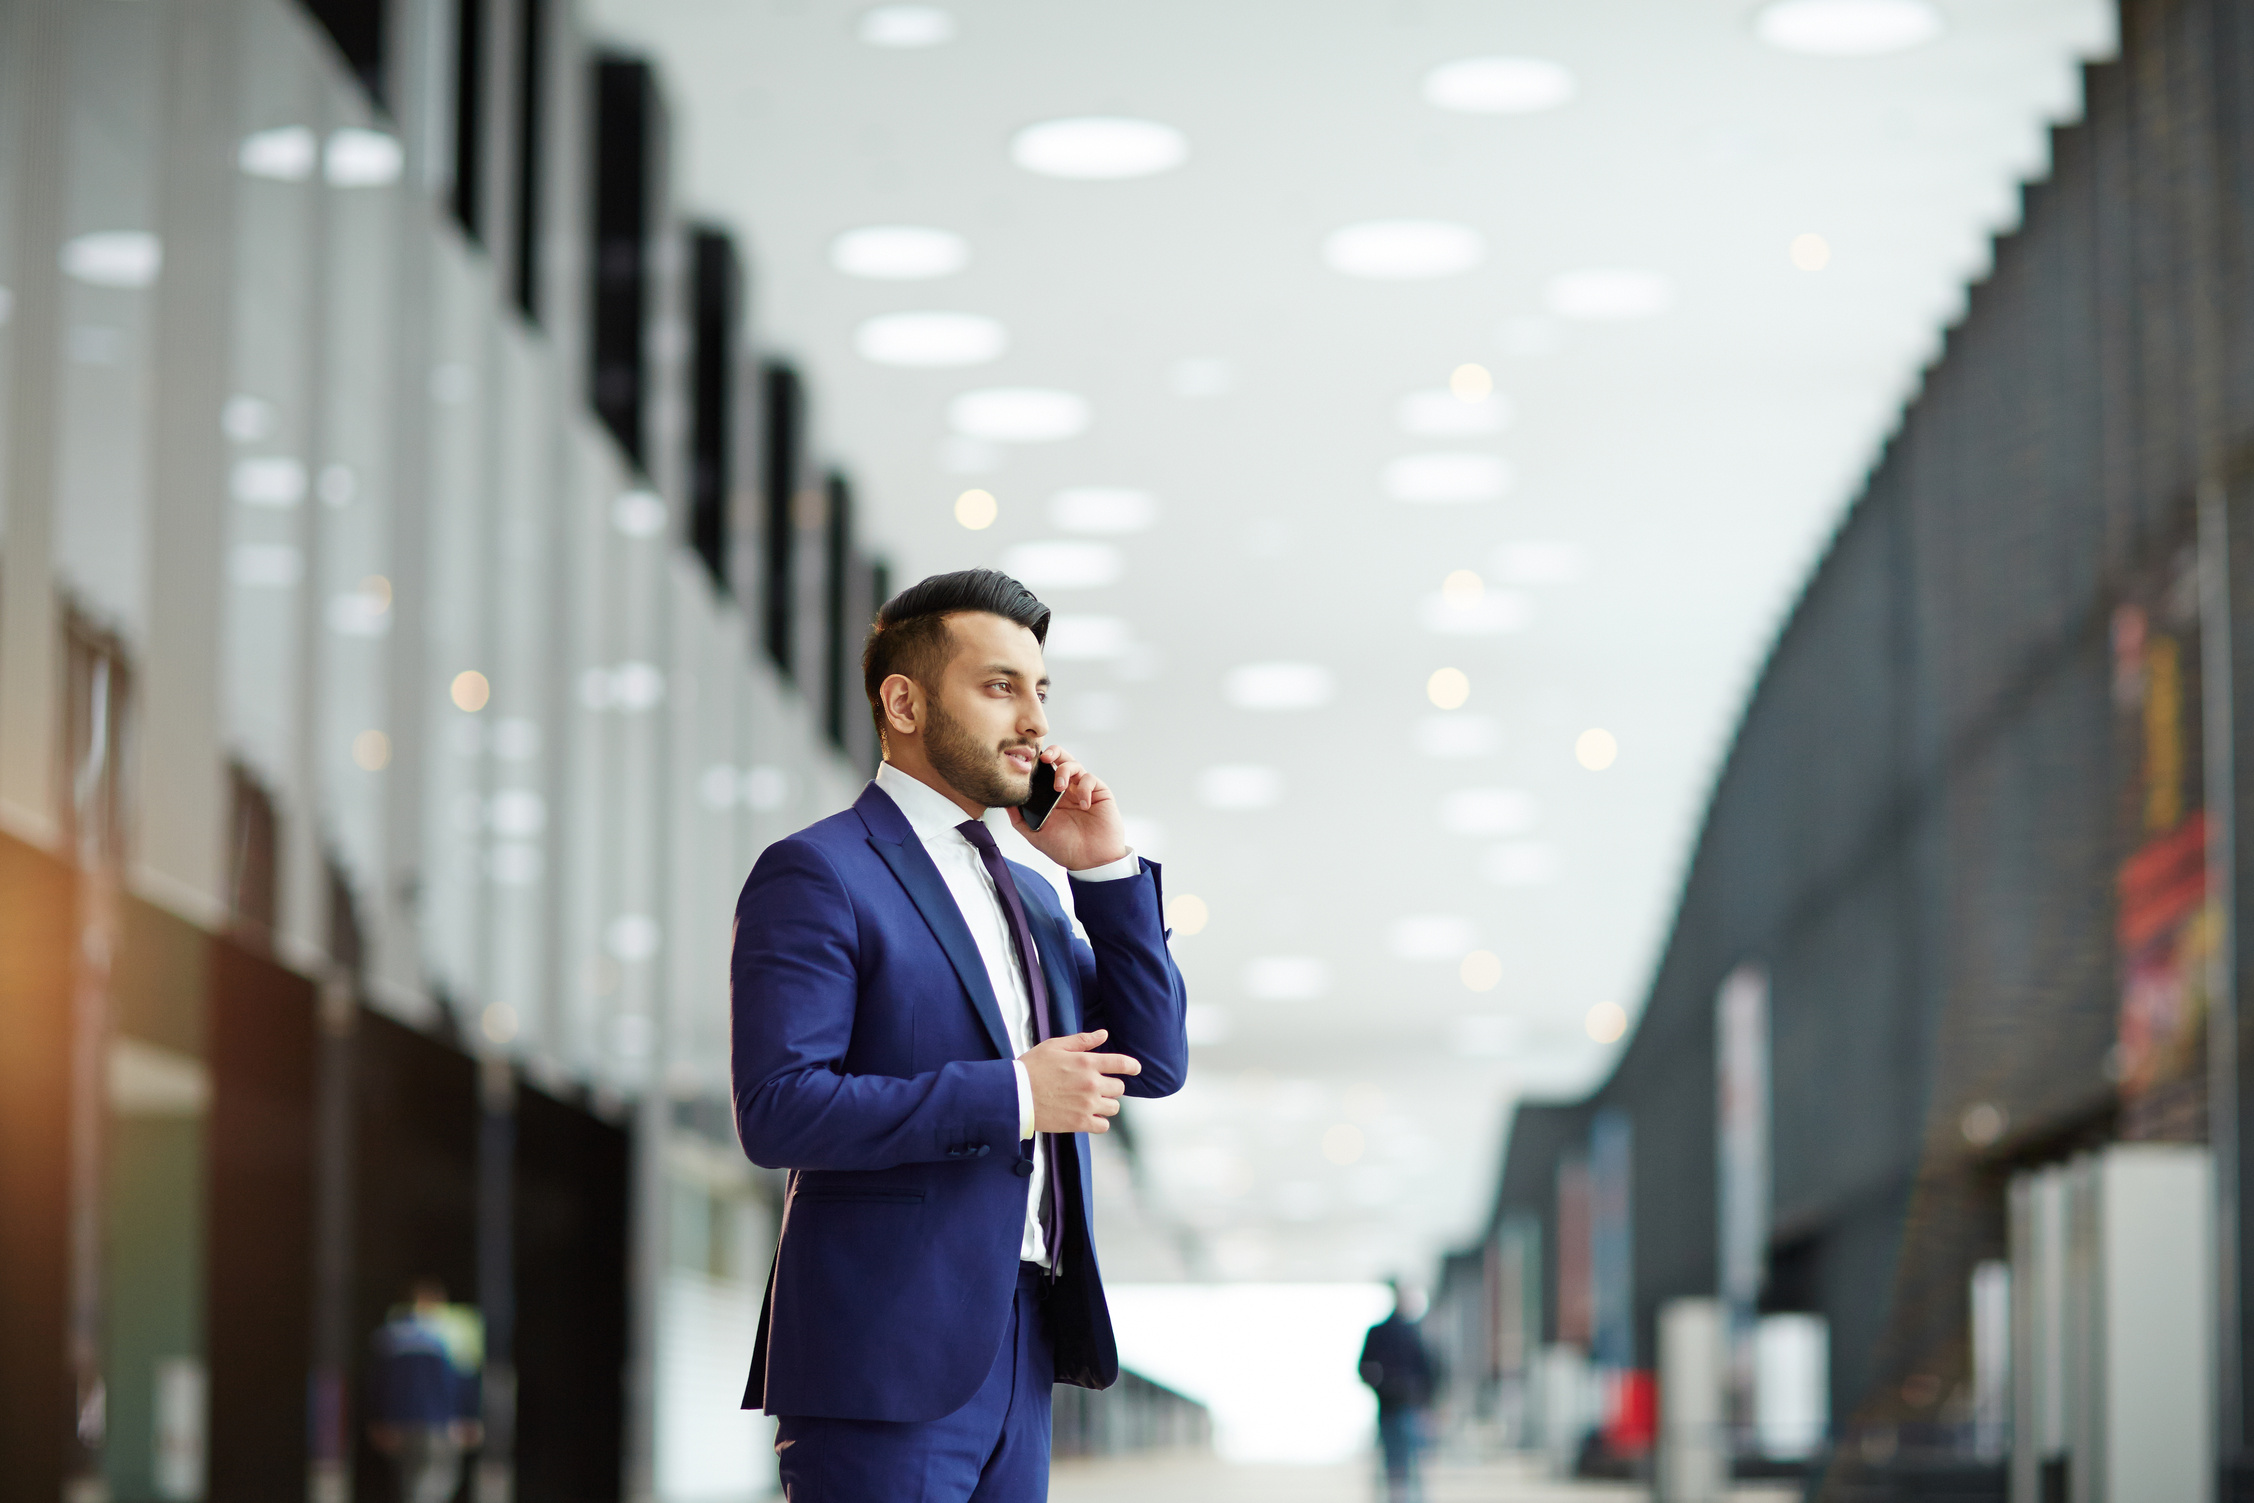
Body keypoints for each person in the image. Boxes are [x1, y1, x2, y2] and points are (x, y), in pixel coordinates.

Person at [730, 569, 1189, 1501]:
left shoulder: (1029, 897)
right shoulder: (819, 872)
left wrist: (1104, 872)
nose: (1034, 720)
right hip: (881, 1359)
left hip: (1020, 1343)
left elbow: (1153, 1062)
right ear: (903, 701)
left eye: (1041, 690)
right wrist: (1017, 1094)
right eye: (999, 686)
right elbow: (779, 1110)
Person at [366, 1279, 481, 1503]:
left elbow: (376, 1385)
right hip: (438, 1421)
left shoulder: (388, 1336)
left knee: (411, 1483)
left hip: (402, 1422)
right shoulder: (451, 1335)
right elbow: (463, 1381)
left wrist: (379, 1420)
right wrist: (469, 1416)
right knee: (436, 1482)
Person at [1359, 1281, 1438, 1503]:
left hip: (1402, 1405)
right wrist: (1385, 1386)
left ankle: (1401, 1497)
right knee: (1402, 1460)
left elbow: (1428, 1370)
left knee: (1401, 1461)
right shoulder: (1397, 1333)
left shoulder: (1408, 1332)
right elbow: (1428, 1370)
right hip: (1395, 1405)